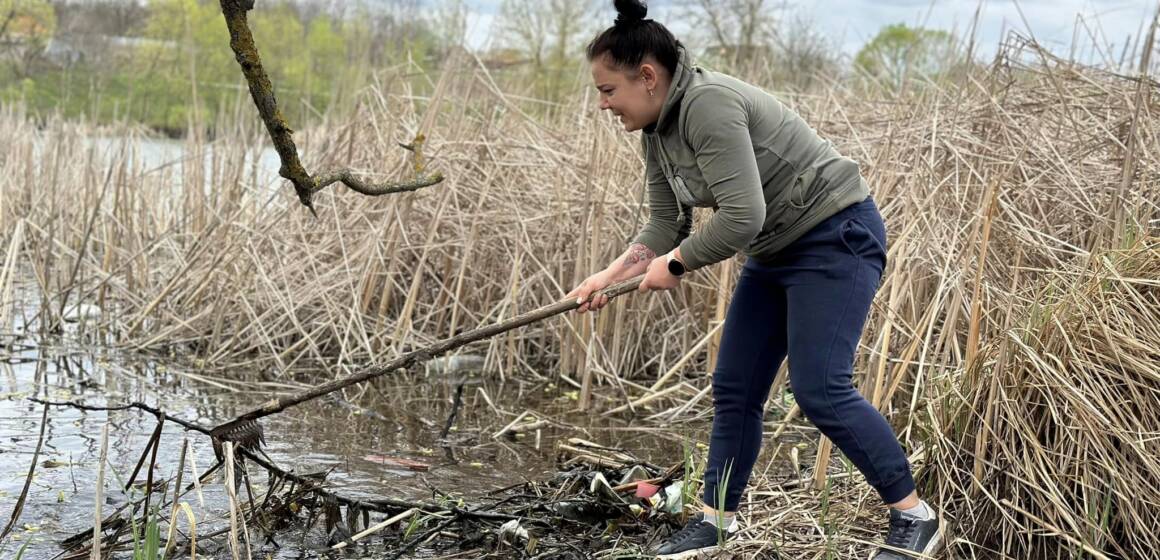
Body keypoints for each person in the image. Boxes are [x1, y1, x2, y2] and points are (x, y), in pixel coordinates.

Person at [566, 1, 942, 558]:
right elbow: (667, 221)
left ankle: (915, 516)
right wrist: (611, 272)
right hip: (775, 248)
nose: (602, 104)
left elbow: (743, 217)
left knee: (819, 388)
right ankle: (718, 521)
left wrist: (673, 266)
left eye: (607, 90)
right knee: (736, 387)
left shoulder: (708, 105)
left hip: (836, 236)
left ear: (647, 78)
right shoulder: (656, 129)